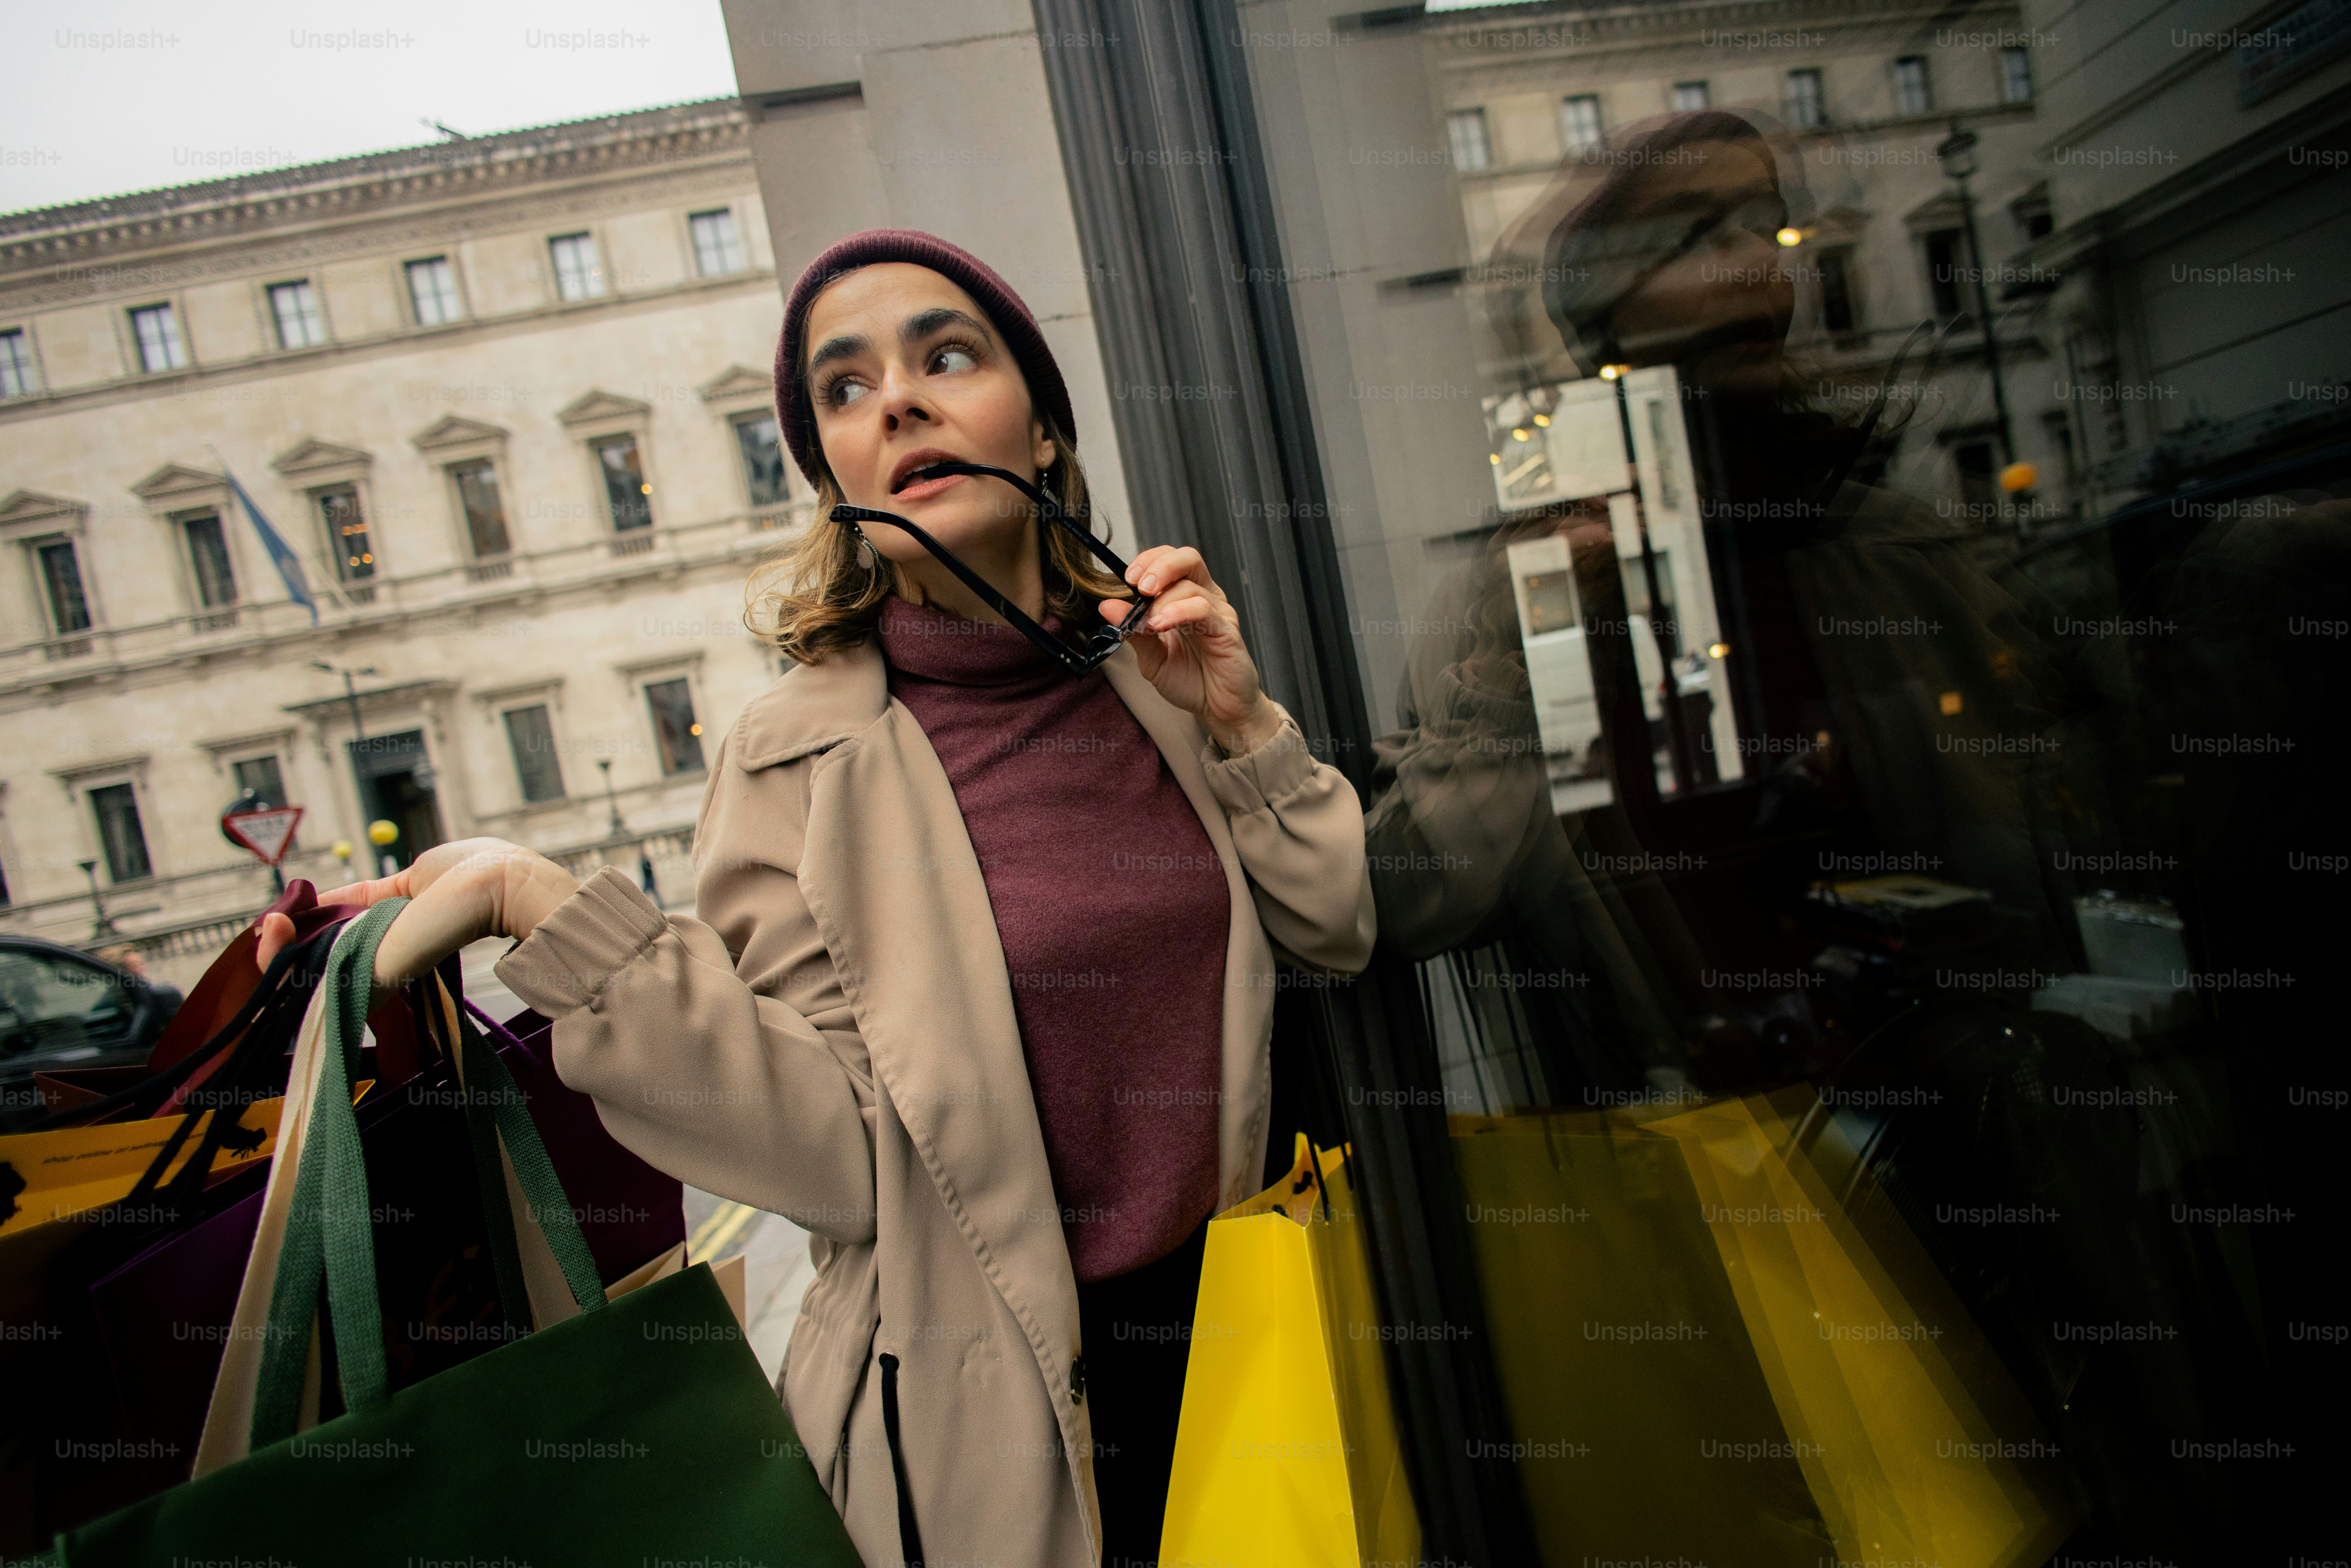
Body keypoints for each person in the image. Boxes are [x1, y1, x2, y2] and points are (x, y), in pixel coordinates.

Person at [256, 229, 1375, 1568]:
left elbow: (1336, 924)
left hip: (1262, 1345)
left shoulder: (1158, 674)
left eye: (946, 355)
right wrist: (548, 910)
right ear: (842, 479)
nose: (896, 398)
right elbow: (837, 1163)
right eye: (846, 390)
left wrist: (1243, 724)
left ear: (1044, 433)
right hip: (990, 1422)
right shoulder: (792, 756)